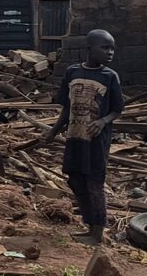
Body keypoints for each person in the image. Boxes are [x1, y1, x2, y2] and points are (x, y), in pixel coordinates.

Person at [45, 29, 125, 246]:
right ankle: (89, 225)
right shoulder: (72, 72)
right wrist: (53, 131)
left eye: (112, 48)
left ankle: (97, 233)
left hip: (96, 141)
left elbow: (117, 109)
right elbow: (67, 108)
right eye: (105, 47)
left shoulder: (110, 77)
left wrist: (102, 121)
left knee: (94, 183)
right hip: (75, 137)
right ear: (89, 49)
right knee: (75, 180)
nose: (110, 52)